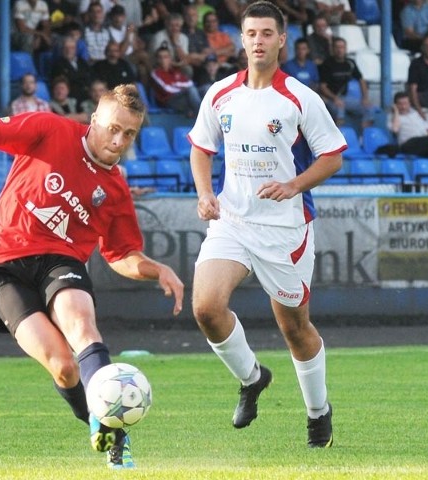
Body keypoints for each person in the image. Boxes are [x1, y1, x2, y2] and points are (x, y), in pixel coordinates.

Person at [0, 83, 184, 469]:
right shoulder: (51, 129)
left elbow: (121, 254)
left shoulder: (115, 190)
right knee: (63, 365)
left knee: (82, 325)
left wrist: (155, 269)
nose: (119, 139)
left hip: (60, 261)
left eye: (129, 134)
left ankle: (117, 436)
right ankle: (96, 419)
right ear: (94, 120)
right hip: (2, 263)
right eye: (113, 128)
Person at [188, 1, 344, 448]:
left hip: (285, 229)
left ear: (281, 41)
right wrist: (204, 192)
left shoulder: (299, 97)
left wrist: (295, 184)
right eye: (251, 33)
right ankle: (252, 378)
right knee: (206, 308)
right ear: (242, 39)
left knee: (295, 328)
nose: (258, 41)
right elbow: (201, 147)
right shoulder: (220, 93)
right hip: (233, 219)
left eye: (266, 34)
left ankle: (318, 412)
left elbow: (331, 156)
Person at [318, 36, 376, 127]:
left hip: (345, 98)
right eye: (337, 47)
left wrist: (365, 98)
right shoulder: (327, 64)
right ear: (333, 49)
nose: (339, 50)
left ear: (345, 49)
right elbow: (323, 87)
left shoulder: (350, 63)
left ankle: (364, 137)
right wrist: (334, 98)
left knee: (369, 109)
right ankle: (339, 137)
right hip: (330, 99)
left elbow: (361, 80)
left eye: (342, 47)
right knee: (339, 110)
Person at [150, 46, 201, 117]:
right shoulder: (155, 73)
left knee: (206, 88)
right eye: (160, 57)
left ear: (170, 59)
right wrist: (182, 88)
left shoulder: (175, 72)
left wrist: (175, 85)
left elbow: (190, 83)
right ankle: (199, 116)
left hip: (183, 97)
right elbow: (167, 89)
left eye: (165, 57)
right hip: (169, 101)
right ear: (157, 60)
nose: (163, 60)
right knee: (191, 91)